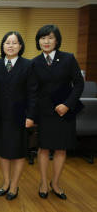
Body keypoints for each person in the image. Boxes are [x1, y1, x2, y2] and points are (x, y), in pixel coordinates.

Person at [31, 24, 84, 200]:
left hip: (64, 111)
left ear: (57, 40)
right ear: (38, 41)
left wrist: (67, 104)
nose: (46, 41)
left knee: (61, 148)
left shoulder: (68, 58)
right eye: (43, 38)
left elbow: (78, 84)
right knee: (44, 148)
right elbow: (33, 90)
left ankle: (55, 183)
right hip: (45, 112)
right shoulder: (34, 62)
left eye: (50, 37)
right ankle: (44, 183)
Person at [0, 31, 36, 200]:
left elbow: (33, 93)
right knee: (2, 151)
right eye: (7, 43)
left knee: (18, 152)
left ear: (20, 46)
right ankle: (5, 182)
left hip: (20, 116)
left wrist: (31, 116)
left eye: (14, 43)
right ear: (3, 46)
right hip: (0, 116)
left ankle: (15, 185)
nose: (10, 46)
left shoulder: (28, 65)